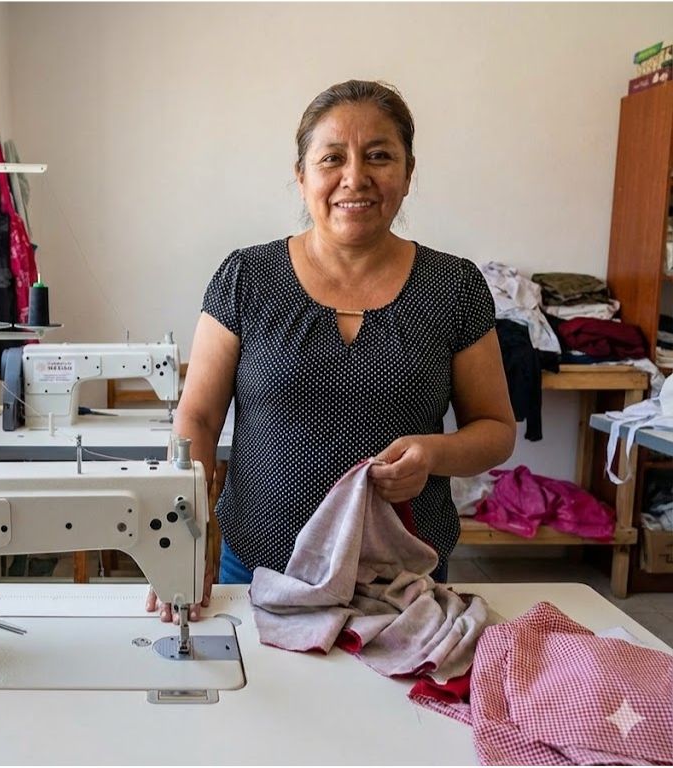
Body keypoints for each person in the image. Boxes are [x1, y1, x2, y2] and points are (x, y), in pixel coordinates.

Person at [147, 79, 515, 623]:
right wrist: (186, 535)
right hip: (259, 570)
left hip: (401, 583)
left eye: (379, 156)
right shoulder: (246, 277)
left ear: (408, 173)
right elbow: (197, 417)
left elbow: (495, 428)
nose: (355, 177)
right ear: (301, 176)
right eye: (332, 158)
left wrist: (434, 453)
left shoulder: (454, 286)